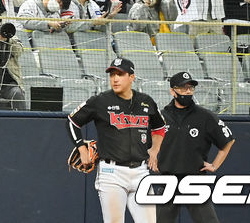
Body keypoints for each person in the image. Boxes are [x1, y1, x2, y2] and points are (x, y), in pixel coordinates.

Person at [68, 57, 166, 223]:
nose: (115, 79)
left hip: (141, 172)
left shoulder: (146, 101)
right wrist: (81, 148)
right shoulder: (101, 101)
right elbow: (72, 121)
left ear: (131, 77)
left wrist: (155, 150)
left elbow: (159, 127)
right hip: (111, 173)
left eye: (120, 74)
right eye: (112, 74)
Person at [154, 72, 236, 223]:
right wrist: (152, 156)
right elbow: (146, 140)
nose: (187, 91)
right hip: (168, 180)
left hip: (194, 181)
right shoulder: (161, 116)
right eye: (183, 88)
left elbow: (228, 140)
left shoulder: (204, 116)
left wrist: (215, 165)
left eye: (190, 88)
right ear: (172, 91)